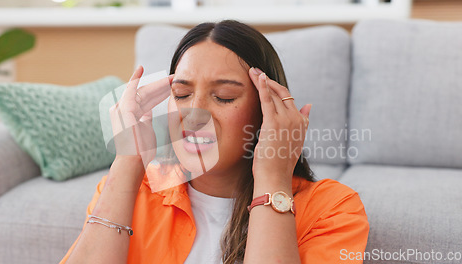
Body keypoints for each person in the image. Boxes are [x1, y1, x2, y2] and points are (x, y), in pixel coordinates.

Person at [60, 20, 369, 264]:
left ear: (266, 112)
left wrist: (273, 179)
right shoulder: (128, 191)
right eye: (181, 95)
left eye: (224, 97)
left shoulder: (333, 210)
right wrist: (127, 161)